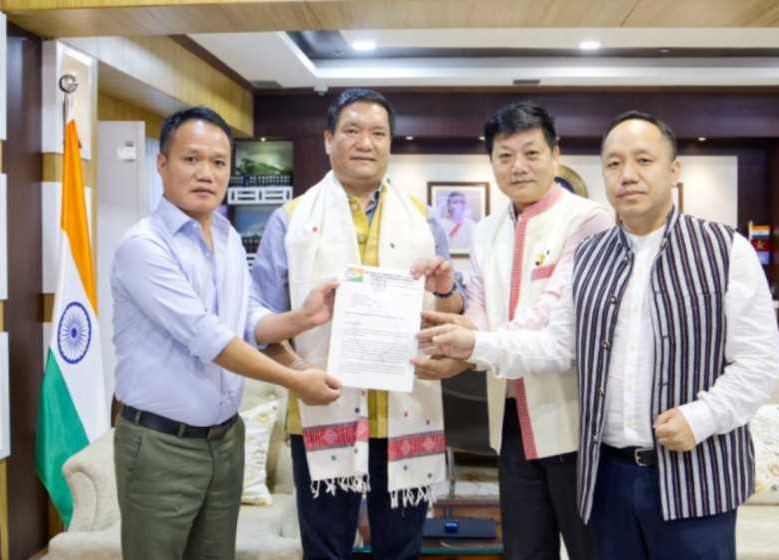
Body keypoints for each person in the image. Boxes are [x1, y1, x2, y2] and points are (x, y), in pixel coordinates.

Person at [421, 110, 779, 560]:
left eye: (643, 161)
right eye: (613, 164)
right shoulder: (593, 256)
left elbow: (760, 362)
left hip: (693, 472)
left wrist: (702, 416)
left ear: (674, 170)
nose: (627, 175)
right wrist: (472, 342)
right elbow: (557, 344)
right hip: (606, 472)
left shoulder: (724, 250)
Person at [110, 106, 343, 559]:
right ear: (162, 164)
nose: (206, 173)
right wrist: (297, 381)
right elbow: (210, 338)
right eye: (191, 159)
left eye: (218, 163)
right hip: (161, 446)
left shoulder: (227, 235)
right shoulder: (144, 247)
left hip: (224, 441)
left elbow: (247, 320)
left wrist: (304, 318)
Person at [250, 88, 460, 560]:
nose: (365, 142)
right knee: (325, 550)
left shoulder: (426, 221)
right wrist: (296, 373)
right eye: (351, 130)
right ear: (327, 140)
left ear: (390, 144)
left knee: (402, 550)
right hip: (323, 407)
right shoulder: (291, 220)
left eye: (377, 133)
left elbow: (453, 316)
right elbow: (258, 317)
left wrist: (447, 291)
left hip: (406, 410)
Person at [413, 101, 613, 560]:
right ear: (492, 162)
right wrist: (450, 321)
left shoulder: (589, 221)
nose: (517, 167)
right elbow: (481, 308)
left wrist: (470, 347)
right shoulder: (487, 230)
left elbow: (550, 319)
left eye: (531, 153)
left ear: (555, 154)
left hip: (574, 425)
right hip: (510, 424)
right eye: (504, 156)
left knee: (591, 549)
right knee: (524, 550)